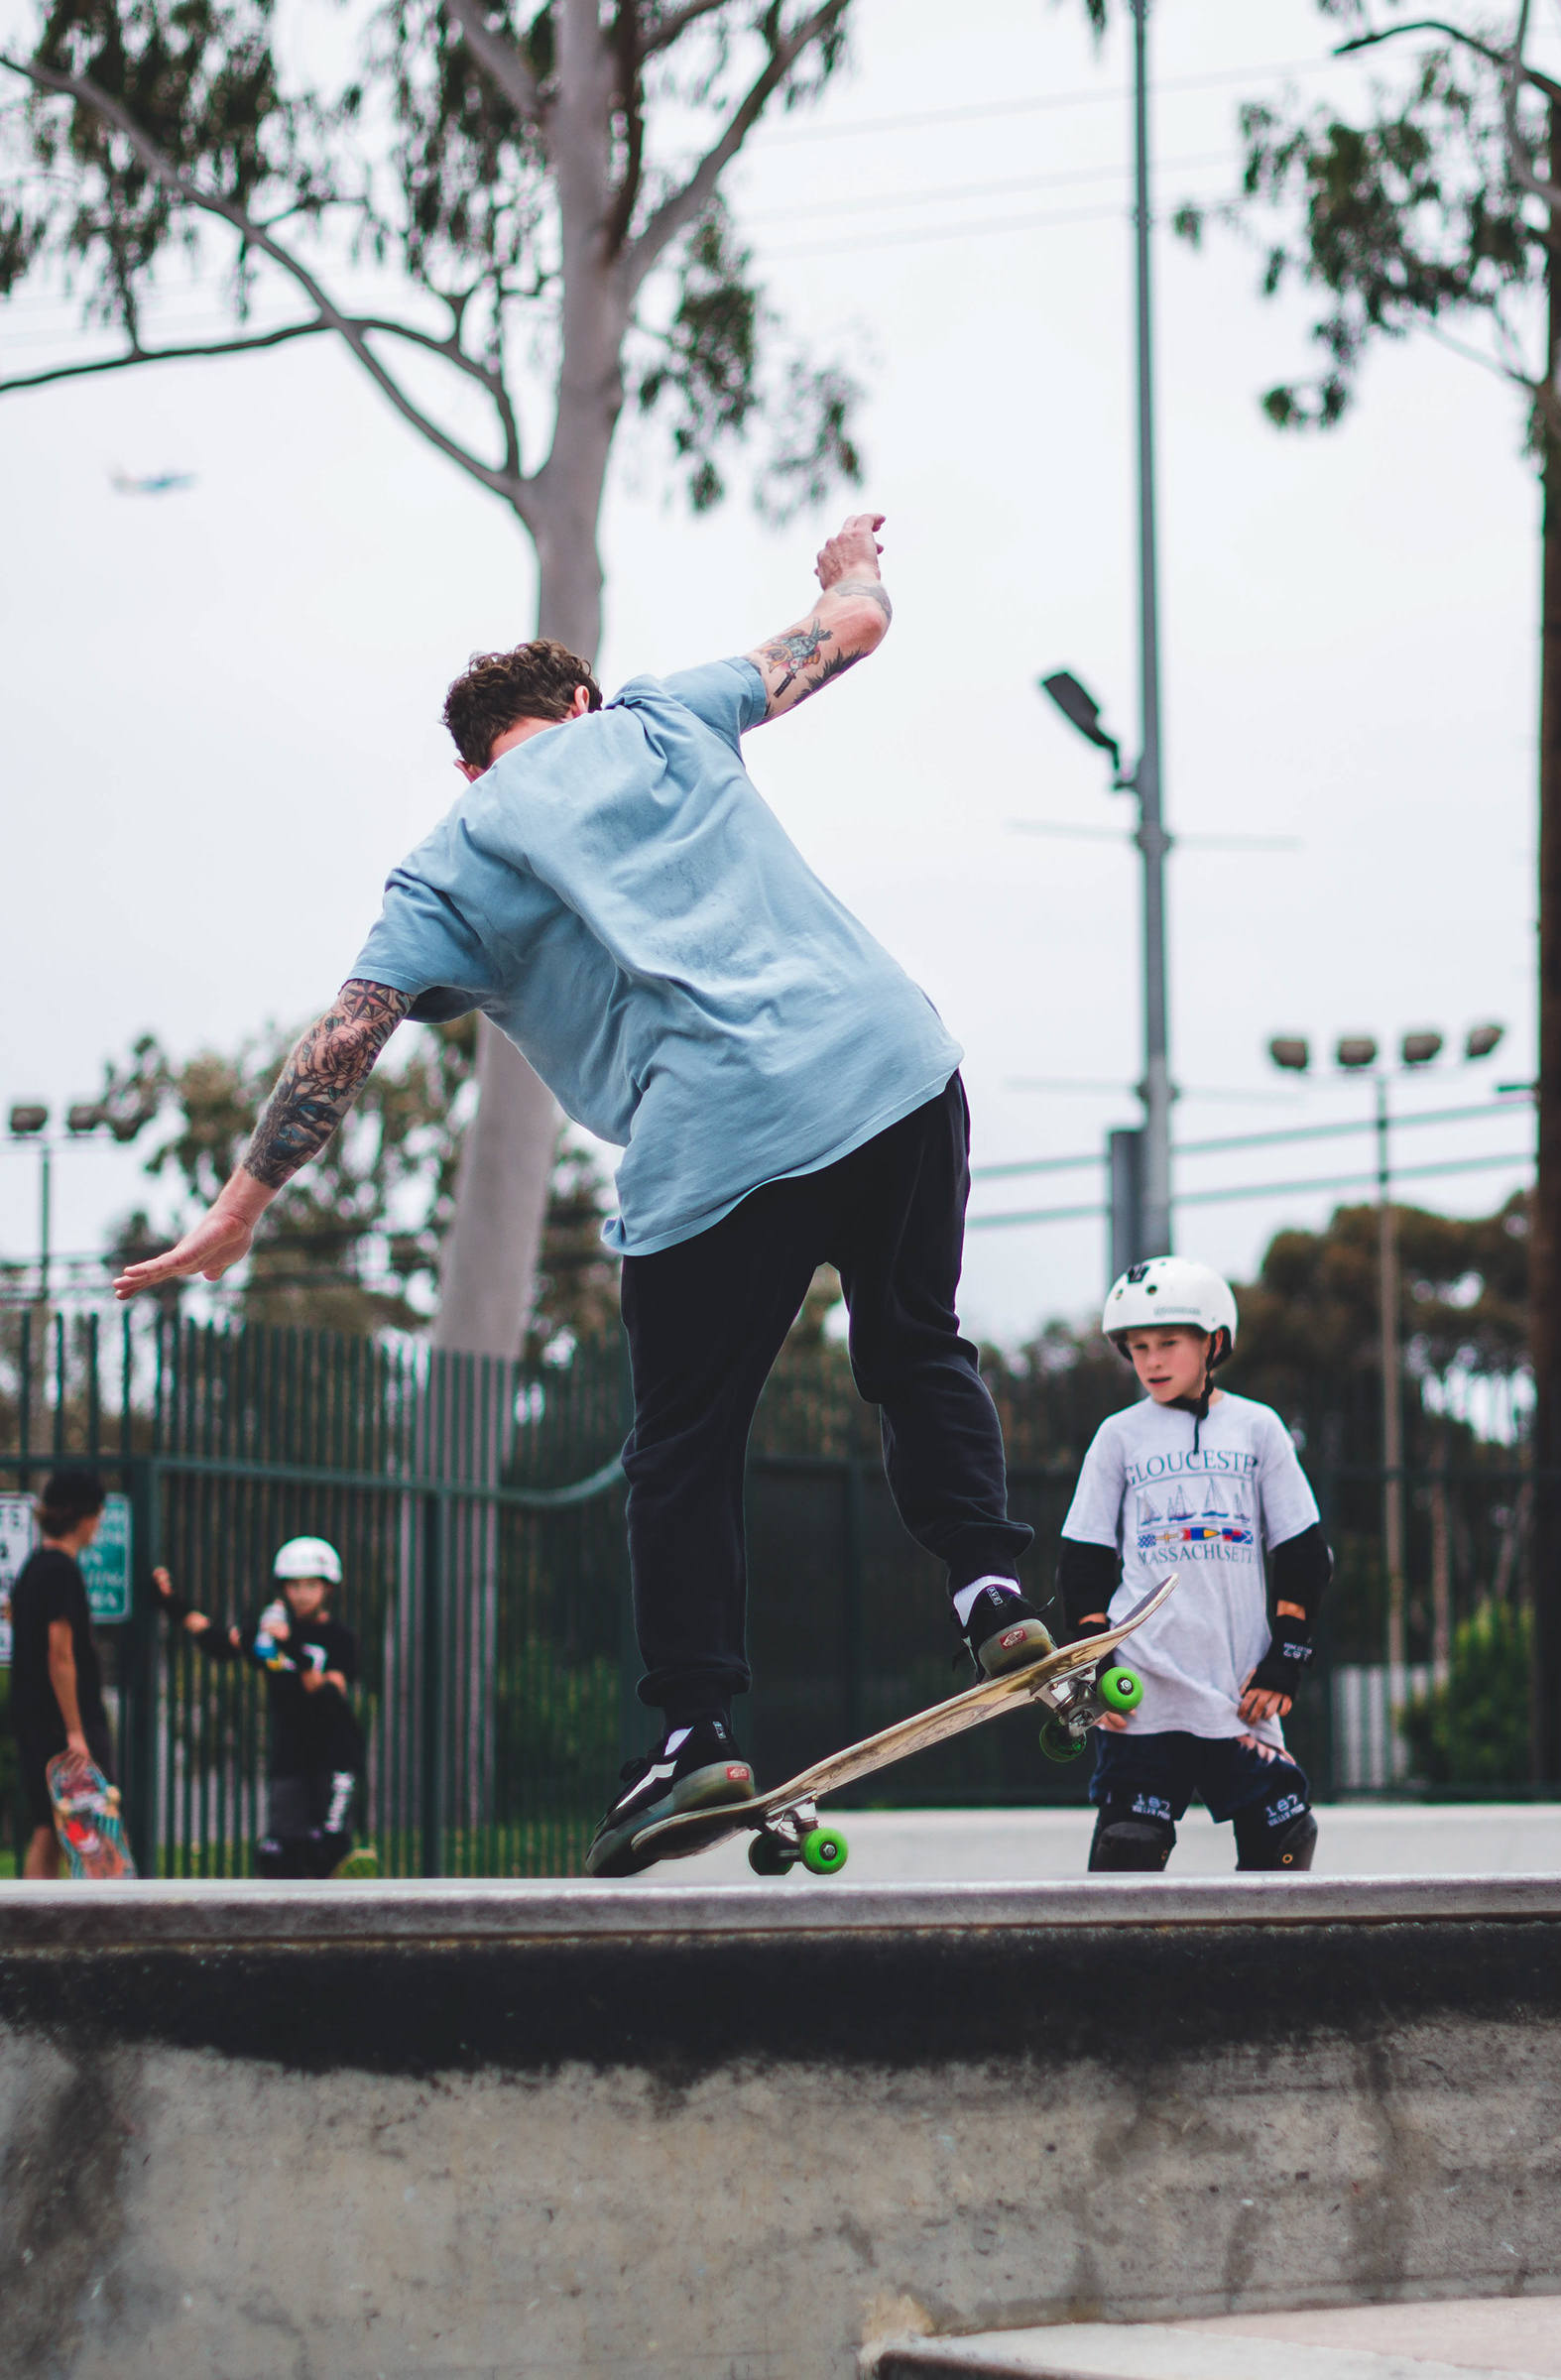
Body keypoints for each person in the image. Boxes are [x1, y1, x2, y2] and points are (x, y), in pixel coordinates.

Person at [111, 512, 1042, 1877]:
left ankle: (696, 1732)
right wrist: (851, 560)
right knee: (913, 1346)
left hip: (719, 1148)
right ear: (580, 704)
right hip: (895, 1066)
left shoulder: (447, 859)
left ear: (470, 757)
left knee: (683, 1451)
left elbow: (349, 1034)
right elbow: (852, 630)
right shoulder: (664, 715)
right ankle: (993, 1586)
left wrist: (242, 1205)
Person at [1056, 1257, 1333, 1874]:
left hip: (1236, 1695)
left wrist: (1287, 1656)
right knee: (1130, 1843)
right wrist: (1092, 1664)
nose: (1151, 1361)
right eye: (1138, 1347)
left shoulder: (1257, 1429)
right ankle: (1120, 1971)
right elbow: (1084, 1559)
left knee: (1286, 1833)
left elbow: (1302, 1552)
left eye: (1168, 1344)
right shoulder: (1119, 1437)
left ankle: (1258, 1969)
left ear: (1213, 1342)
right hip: (1143, 1692)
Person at [153, 1534, 376, 1879]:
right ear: (282, 1589)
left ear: (328, 1589)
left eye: (311, 1586)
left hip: (335, 1756)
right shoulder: (267, 1637)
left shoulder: (339, 1637)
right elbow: (216, 1640)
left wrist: (293, 1647)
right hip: (291, 1756)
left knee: (325, 1850)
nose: (301, 1594)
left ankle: (336, 1926)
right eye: (294, 1586)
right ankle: (291, 1931)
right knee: (278, 1855)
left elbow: (329, 1693)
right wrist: (170, 1602)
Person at [9, 1468, 116, 1880]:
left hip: (32, 1713)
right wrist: (76, 1732)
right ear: (85, 1516)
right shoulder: (62, 1570)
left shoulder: (35, 1567)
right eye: (99, 1515)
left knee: (48, 1824)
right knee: (81, 1821)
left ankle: (26, 1931)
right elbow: (61, 1654)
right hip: (60, 1720)